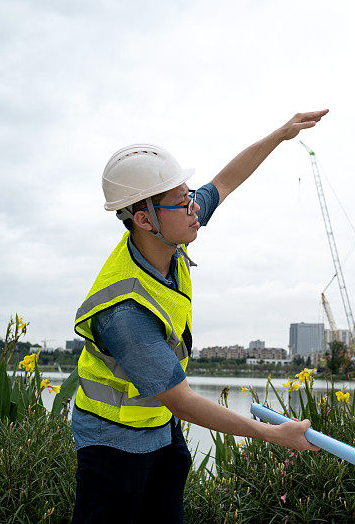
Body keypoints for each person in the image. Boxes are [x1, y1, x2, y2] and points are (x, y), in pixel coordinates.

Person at [71, 109, 329, 523]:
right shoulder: (124, 312)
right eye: (182, 202)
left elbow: (225, 182)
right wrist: (274, 434)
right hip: (111, 443)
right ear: (144, 219)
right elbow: (185, 402)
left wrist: (280, 135)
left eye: (190, 196)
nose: (194, 208)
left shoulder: (170, 229)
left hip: (157, 429)